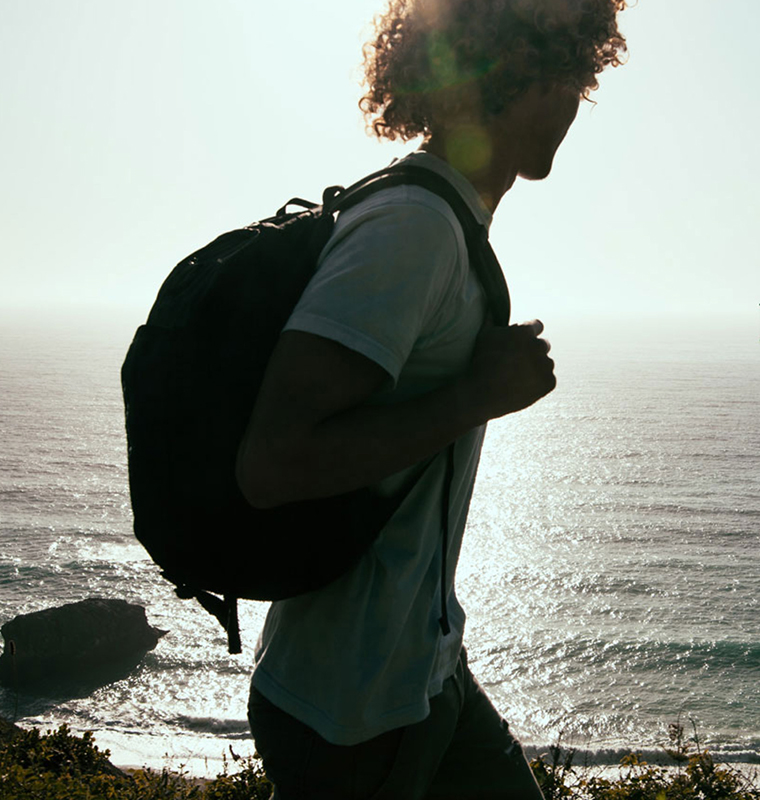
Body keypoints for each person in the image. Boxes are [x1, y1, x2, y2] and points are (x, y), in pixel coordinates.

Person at [237, 0, 627, 797]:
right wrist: (479, 394)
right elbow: (272, 463)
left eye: (579, 76)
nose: (571, 101)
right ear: (493, 75)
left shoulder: (446, 221)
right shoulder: (412, 230)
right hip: (347, 708)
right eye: (560, 73)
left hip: (423, 670)